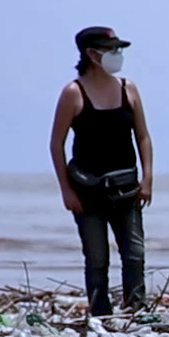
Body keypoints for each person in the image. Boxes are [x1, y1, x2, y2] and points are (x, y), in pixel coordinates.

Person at [48, 26, 154, 317]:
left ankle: (136, 310)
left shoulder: (127, 88)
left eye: (118, 50)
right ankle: (100, 313)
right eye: (111, 50)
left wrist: (147, 178)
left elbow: (142, 136)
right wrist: (66, 191)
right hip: (87, 188)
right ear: (92, 54)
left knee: (134, 253)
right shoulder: (74, 92)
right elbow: (56, 144)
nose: (116, 55)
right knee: (97, 258)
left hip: (126, 186)